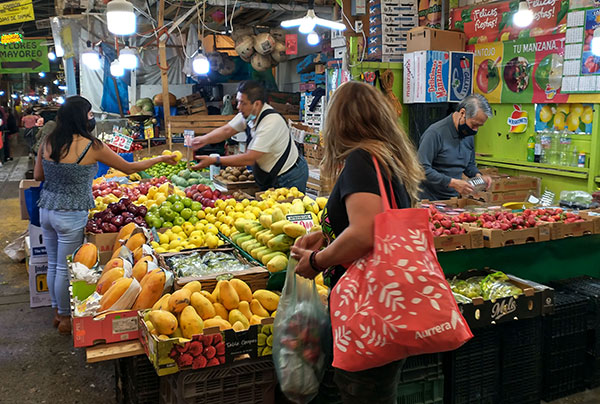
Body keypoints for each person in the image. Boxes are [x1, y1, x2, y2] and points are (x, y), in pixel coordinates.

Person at [290, 82, 426, 404]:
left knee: (364, 392)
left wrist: (317, 261)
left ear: (339, 121)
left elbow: (365, 232)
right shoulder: (386, 159)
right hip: (387, 302)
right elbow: (376, 221)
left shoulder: (362, 161)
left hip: (367, 308)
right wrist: (327, 233)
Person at [34, 96, 177, 335]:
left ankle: (57, 312)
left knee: (54, 264)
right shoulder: (91, 145)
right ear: (81, 117)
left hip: (46, 209)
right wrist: (161, 157)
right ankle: (66, 318)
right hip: (70, 213)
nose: (92, 118)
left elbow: (38, 175)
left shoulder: (48, 141)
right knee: (66, 269)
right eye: (90, 114)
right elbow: (129, 168)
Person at [190, 80, 309, 192]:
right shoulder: (248, 114)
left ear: (257, 104)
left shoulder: (270, 123)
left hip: (289, 176)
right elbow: (227, 130)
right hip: (271, 175)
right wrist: (203, 140)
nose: (238, 107)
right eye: (238, 101)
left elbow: (250, 157)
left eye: (242, 103)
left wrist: (215, 160)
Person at [417, 94, 493, 201]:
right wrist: (452, 183)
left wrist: (478, 177)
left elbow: (469, 165)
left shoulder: (468, 135)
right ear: (462, 113)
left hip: (453, 200)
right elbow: (422, 169)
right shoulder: (434, 133)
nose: (475, 130)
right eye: (474, 124)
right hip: (429, 200)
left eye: (479, 126)